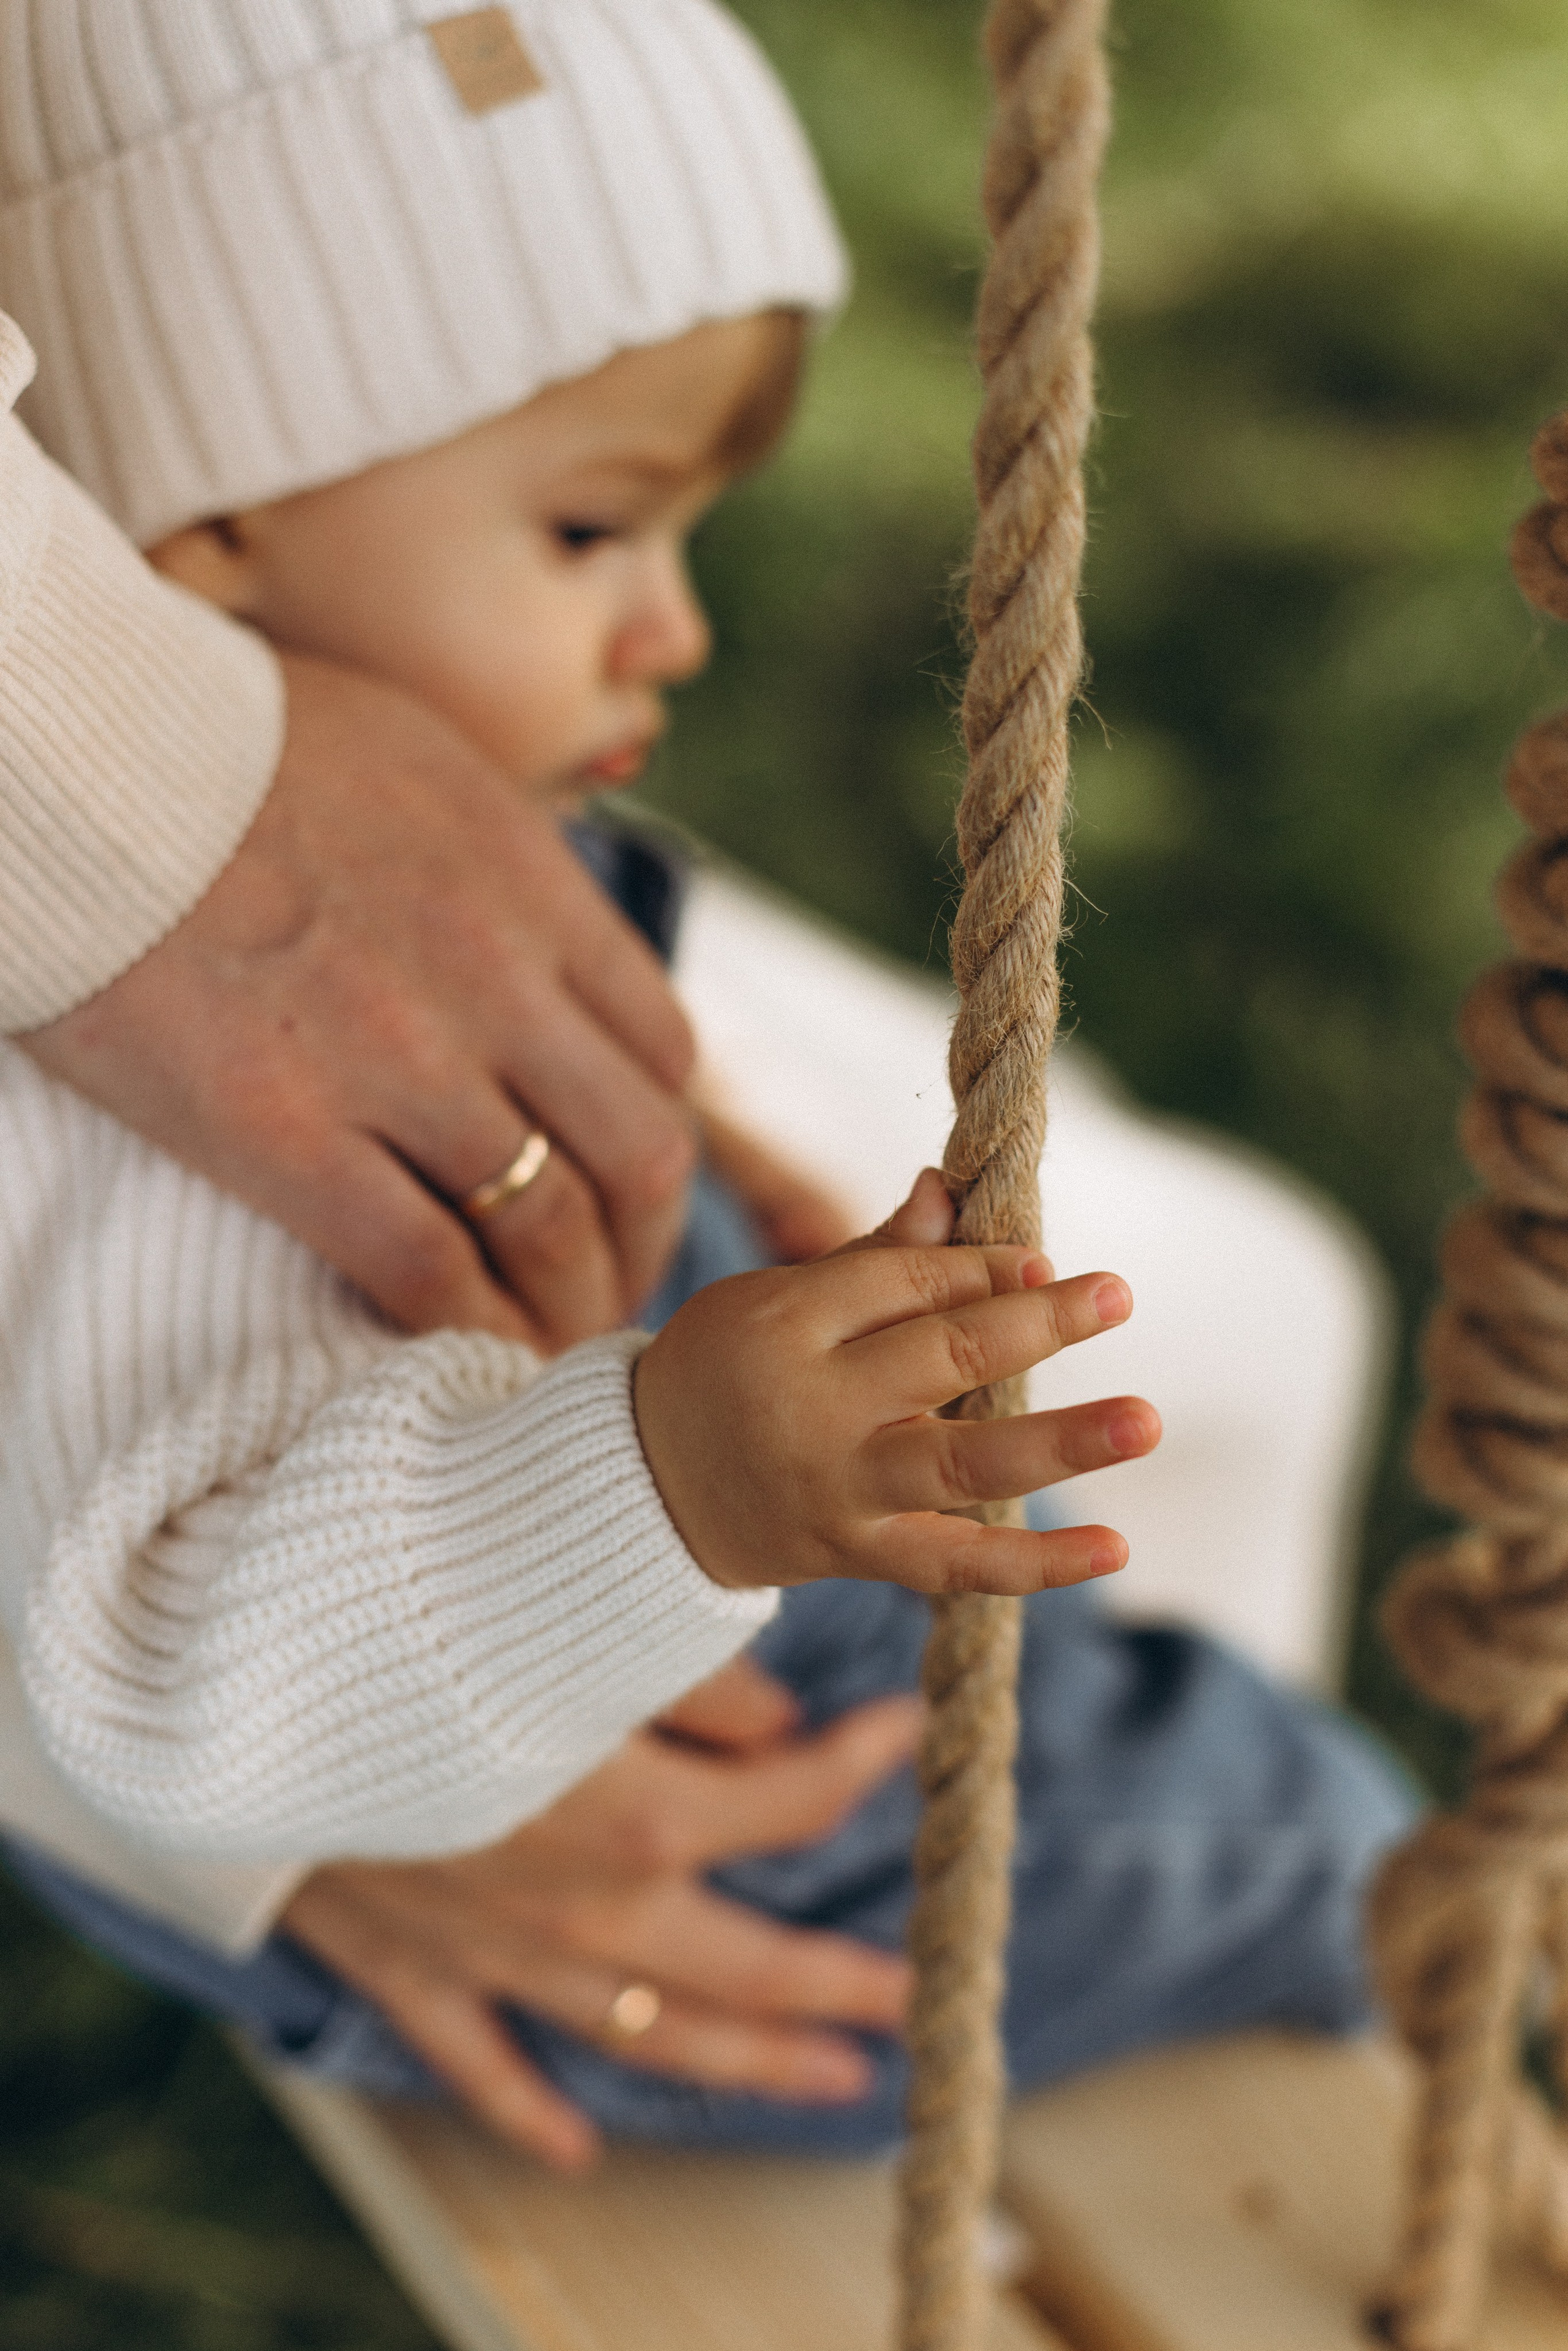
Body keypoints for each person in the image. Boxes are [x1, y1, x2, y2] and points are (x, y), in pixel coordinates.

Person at [0, 0, 1413, 2170]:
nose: (678, 630)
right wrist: (686, 1473)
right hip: (709, 1810)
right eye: (590, 534)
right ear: (197, 552)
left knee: (1240, 1367)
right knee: (1301, 1836)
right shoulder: (149, 1144)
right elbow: (177, 1676)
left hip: (667, 1593)